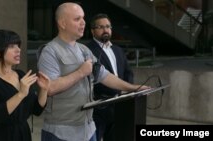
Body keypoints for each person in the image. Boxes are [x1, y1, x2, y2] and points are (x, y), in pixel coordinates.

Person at [37, 2, 150, 141]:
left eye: (83, 18)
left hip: (88, 129)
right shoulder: (50, 51)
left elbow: (105, 76)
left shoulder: (84, 50)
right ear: (62, 23)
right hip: (61, 132)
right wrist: (80, 73)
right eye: (77, 19)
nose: (83, 23)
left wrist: (134, 88)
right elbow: (50, 88)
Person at [0, 29, 50, 141]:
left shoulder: (20, 74)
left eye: (18, 46)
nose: (18, 50)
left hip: (22, 134)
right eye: (11, 46)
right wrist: (20, 94)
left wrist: (44, 90)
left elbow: (37, 110)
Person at [86, 13, 134, 141]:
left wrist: (128, 91)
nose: (105, 30)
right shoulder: (87, 50)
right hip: (98, 108)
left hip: (118, 106)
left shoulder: (117, 50)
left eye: (108, 26)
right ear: (92, 31)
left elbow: (128, 72)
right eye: (101, 27)